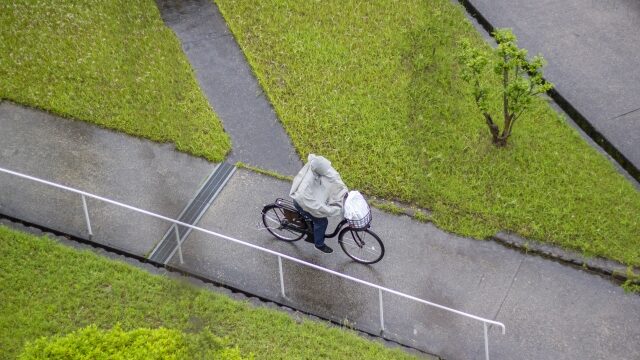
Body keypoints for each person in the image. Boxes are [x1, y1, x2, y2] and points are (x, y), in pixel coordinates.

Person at [290, 154, 347, 254]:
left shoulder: (317, 166)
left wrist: (343, 189)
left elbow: (332, 175)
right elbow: (316, 207)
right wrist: (334, 210)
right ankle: (319, 244)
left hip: (310, 197)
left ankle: (313, 231)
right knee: (322, 221)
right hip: (302, 202)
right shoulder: (306, 187)